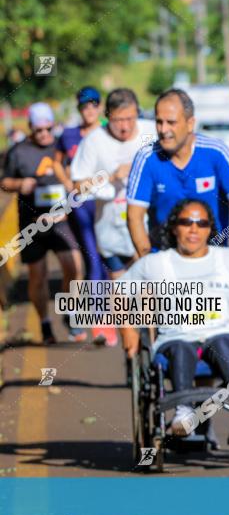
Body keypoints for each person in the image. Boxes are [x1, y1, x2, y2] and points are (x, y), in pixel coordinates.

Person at [120, 199, 229, 435]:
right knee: (181, 347)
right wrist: (128, 330)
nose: (194, 229)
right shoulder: (155, 263)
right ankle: (183, 411)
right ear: (175, 227)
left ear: (209, 229)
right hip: (175, 339)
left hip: (225, 337)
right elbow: (119, 292)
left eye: (201, 223)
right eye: (186, 222)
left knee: (220, 342)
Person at [70, 88, 157, 345]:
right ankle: (130, 347)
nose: (125, 126)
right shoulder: (94, 142)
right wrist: (110, 177)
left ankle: (153, 344)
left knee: (147, 287)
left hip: (148, 224)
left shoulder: (150, 131)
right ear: (108, 117)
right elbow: (78, 184)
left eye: (130, 119)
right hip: (110, 227)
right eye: (118, 120)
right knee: (120, 289)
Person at [127, 88, 229, 256]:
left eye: (171, 122)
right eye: (159, 122)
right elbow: (134, 216)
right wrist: (149, 263)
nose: (163, 129)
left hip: (213, 257)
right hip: (165, 259)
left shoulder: (217, 152)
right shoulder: (146, 158)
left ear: (190, 123)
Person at [0, 103, 83, 343]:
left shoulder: (61, 147)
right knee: (38, 276)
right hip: (32, 224)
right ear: (31, 129)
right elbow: (4, 182)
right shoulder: (18, 151)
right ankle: (45, 325)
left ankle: (71, 312)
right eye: (39, 130)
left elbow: (75, 177)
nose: (45, 134)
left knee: (74, 267)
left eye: (48, 128)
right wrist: (19, 185)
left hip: (60, 221)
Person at [55, 86, 106, 283]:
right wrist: (68, 183)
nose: (90, 110)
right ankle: (96, 311)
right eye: (85, 106)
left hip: (105, 201)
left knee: (109, 256)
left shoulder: (108, 131)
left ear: (100, 107)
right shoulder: (69, 134)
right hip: (81, 203)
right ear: (79, 108)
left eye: (94, 105)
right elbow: (56, 162)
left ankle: (115, 307)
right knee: (91, 257)